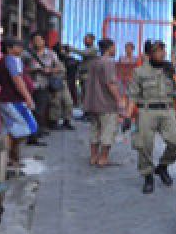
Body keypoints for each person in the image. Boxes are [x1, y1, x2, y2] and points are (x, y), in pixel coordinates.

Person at [127, 41, 176, 194]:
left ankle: (163, 166)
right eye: (158, 51)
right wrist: (128, 116)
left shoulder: (169, 69)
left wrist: (172, 73)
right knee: (144, 144)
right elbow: (132, 95)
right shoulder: (139, 72)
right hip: (146, 111)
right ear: (149, 54)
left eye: (163, 51)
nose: (162, 54)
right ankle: (147, 176)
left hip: (167, 110)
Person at [0, 37, 37, 176]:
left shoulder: (1, 61)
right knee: (28, 127)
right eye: (18, 46)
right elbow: (17, 80)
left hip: (6, 100)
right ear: (10, 48)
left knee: (9, 129)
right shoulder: (11, 60)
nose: (21, 48)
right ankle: (7, 156)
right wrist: (28, 97)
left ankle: (9, 160)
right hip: (13, 101)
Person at [84, 38, 125, 167]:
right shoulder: (108, 63)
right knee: (108, 131)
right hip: (106, 103)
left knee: (94, 130)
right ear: (110, 48)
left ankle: (93, 157)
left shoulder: (94, 62)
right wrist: (119, 100)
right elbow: (110, 83)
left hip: (93, 103)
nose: (115, 49)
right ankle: (103, 158)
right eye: (114, 47)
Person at [23, 32, 61, 141]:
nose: (37, 42)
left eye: (39, 40)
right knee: (29, 109)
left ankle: (35, 133)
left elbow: (59, 68)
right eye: (35, 40)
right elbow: (20, 69)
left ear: (44, 41)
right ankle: (31, 133)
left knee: (40, 110)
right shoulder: (26, 54)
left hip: (43, 85)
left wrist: (50, 70)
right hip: (28, 86)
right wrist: (34, 69)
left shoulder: (51, 54)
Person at [53, 43, 78, 130]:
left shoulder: (68, 60)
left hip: (64, 82)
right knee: (56, 103)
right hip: (55, 81)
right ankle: (54, 122)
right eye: (61, 49)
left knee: (68, 102)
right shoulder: (53, 58)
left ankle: (67, 121)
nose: (63, 51)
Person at [76, 33, 98, 109]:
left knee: (88, 94)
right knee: (83, 94)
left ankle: (88, 112)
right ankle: (85, 111)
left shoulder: (94, 49)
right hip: (83, 75)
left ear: (92, 40)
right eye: (84, 39)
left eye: (86, 39)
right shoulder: (87, 48)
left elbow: (84, 54)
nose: (84, 41)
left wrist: (71, 49)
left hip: (88, 75)